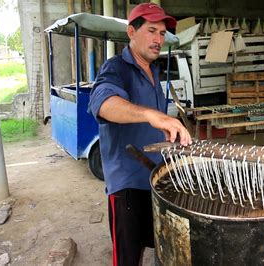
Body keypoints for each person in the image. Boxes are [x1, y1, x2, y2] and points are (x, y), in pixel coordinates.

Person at [87, 3, 192, 266]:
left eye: (162, 33)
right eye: (152, 31)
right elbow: (103, 103)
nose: (159, 39)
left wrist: (171, 124)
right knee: (127, 257)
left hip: (156, 178)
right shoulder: (116, 69)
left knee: (162, 244)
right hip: (127, 186)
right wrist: (150, 115)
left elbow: (153, 120)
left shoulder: (153, 71)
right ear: (131, 32)